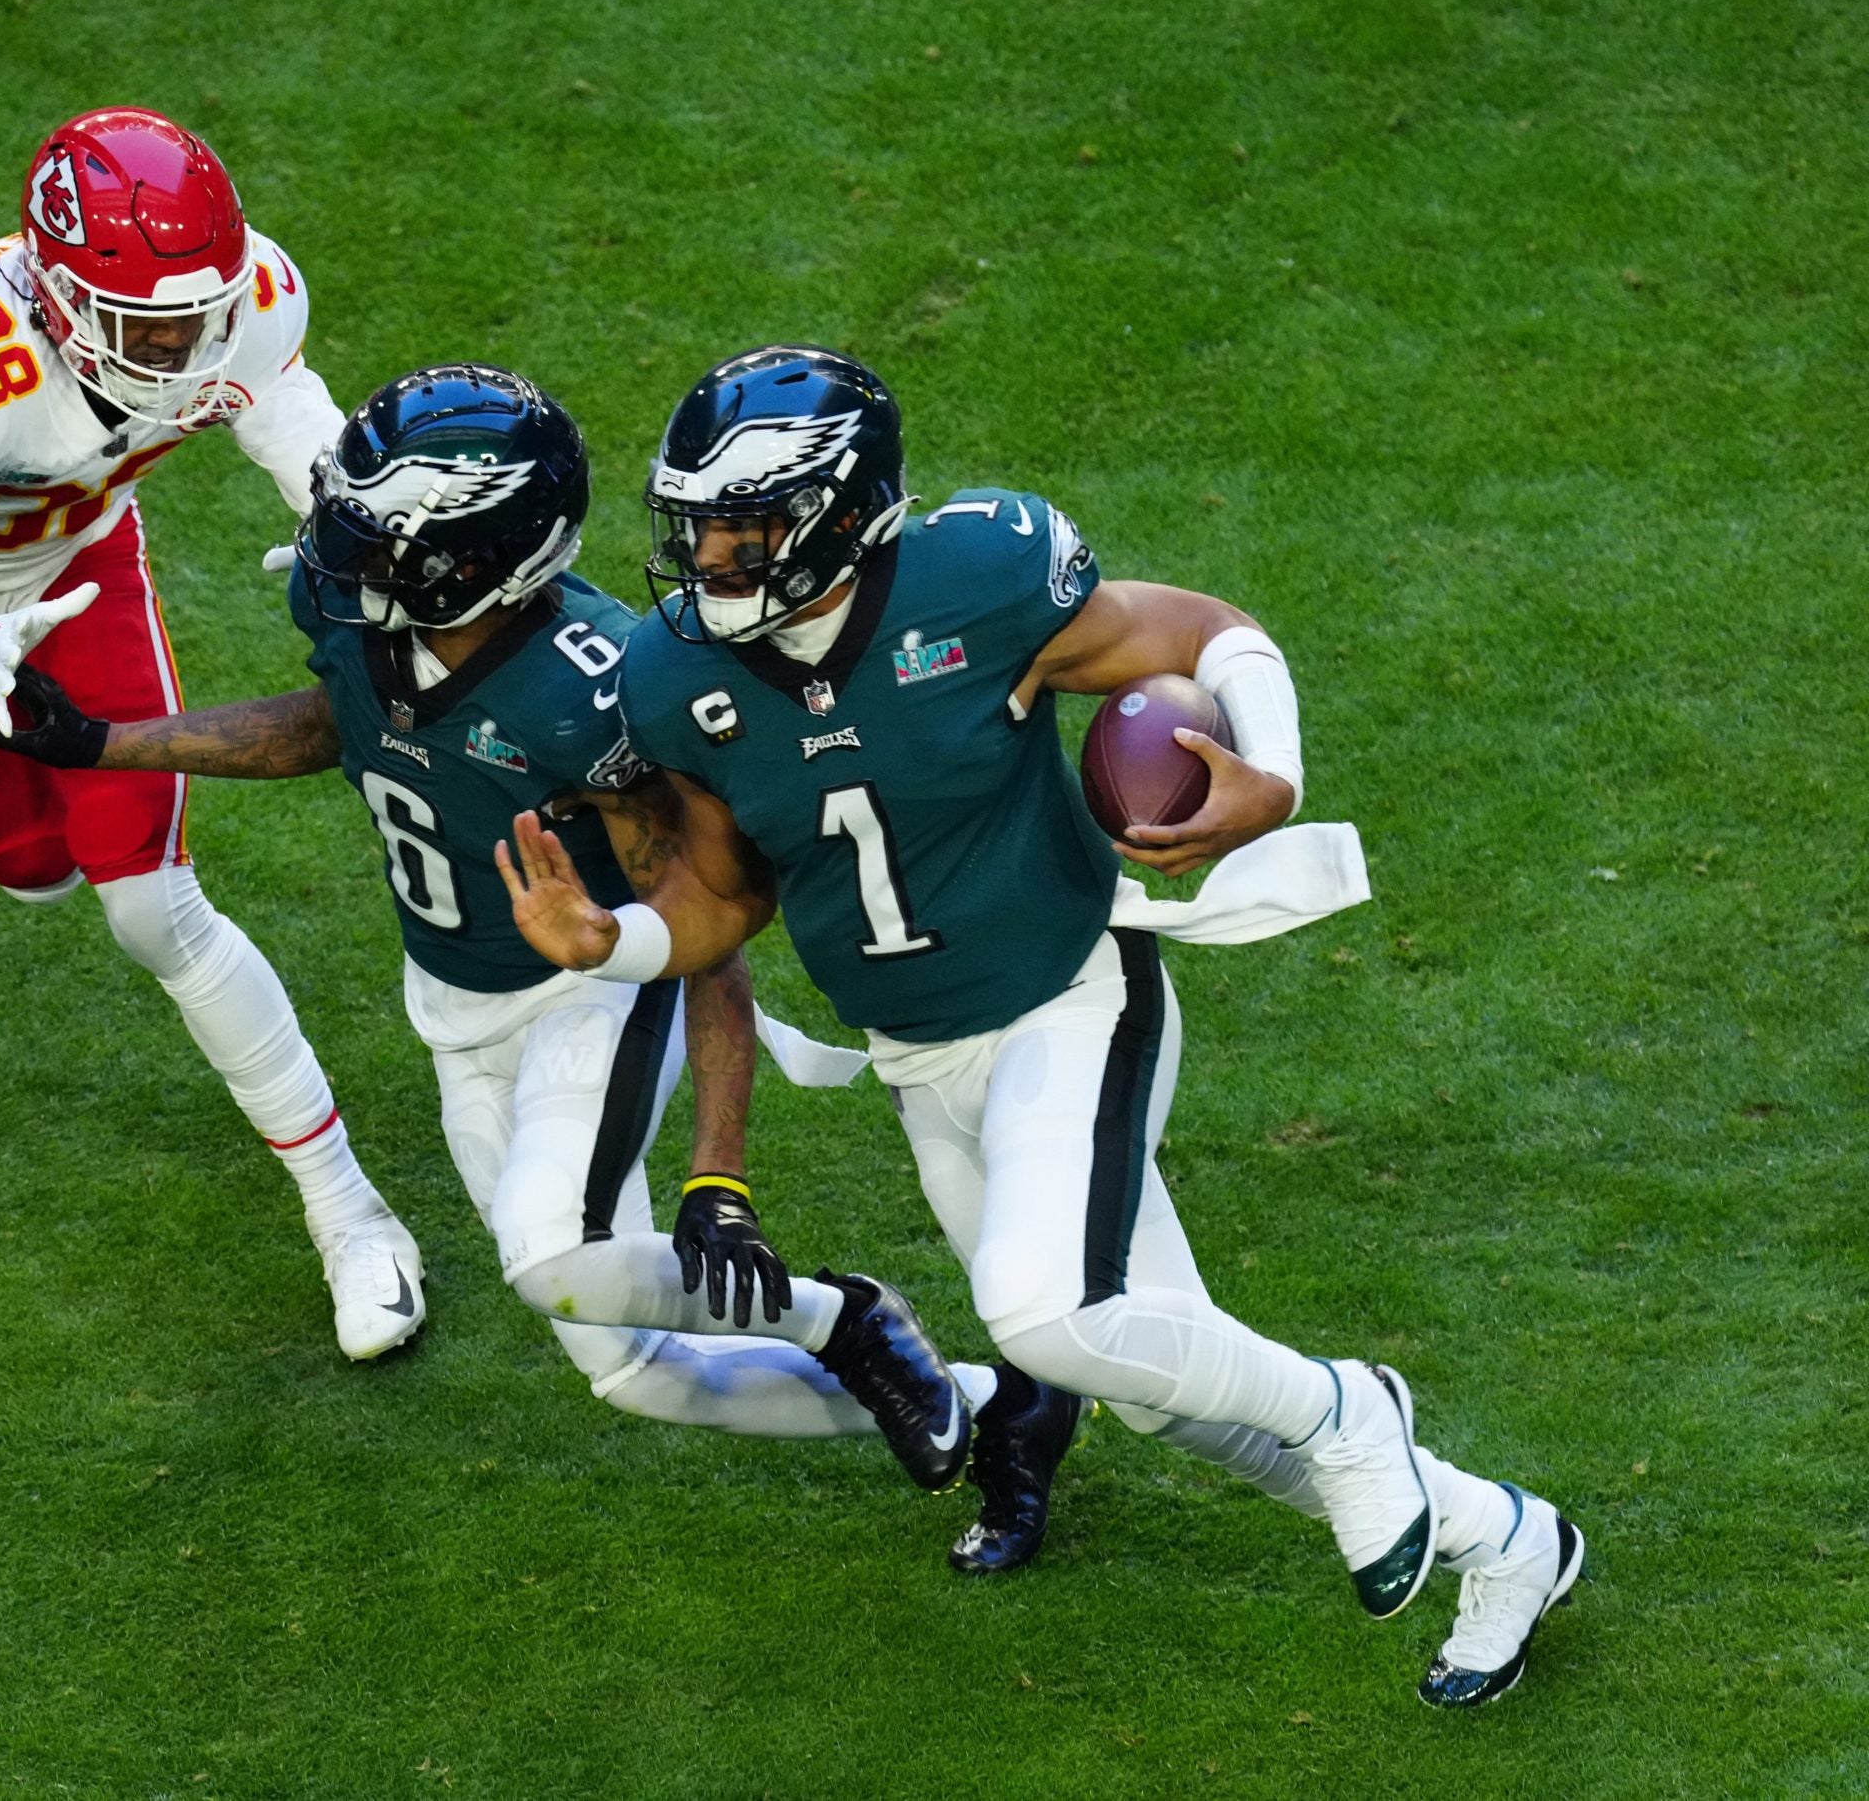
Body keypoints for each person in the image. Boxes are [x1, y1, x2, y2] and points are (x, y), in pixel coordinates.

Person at [498, 345, 1584, 1704]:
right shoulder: (676, 680)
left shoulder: (977, 577)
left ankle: (1350, 1409)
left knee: (1045, 1309)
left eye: (747, 523)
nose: (711, 553)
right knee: (1161, 1387)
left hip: (1071, 998)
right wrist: (618, 940)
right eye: (696, 521)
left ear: (842, 513)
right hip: (919, 1059)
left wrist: (1275, 772)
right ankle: (1509, 1537)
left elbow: (1209, 630)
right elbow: (722, 891)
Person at [0, 362, 990, 1492]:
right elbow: (338, 721)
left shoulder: (595, 687)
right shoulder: (366, 614)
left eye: (385, 539)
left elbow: (711, 924)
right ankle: (999, 1402)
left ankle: (846, 1319)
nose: (346, 553)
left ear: (483, 557)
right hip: (453, 1012)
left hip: (593, 991)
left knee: (548, 1251)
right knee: (630, 1368)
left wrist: (721, 1174)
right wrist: (104, 741)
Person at [0, 106, 422, 1360]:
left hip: (82, 589)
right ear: (52, 290)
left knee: (151, 906)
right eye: (150, 324)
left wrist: (348, 520)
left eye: (201, 313)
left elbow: (286, 407)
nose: (188, 347)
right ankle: (25, 814)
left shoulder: (234, 303)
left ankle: (349, 1209)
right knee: (30, 872)